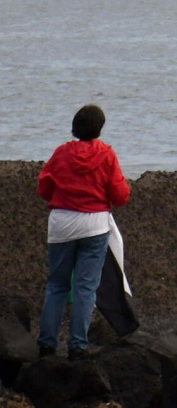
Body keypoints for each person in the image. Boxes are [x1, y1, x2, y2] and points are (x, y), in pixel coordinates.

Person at [36, 105, 130, 359]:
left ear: (75, 126)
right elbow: (120, 196)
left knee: (57, 285)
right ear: (99, 128)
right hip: (94, 224)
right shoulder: (106, 154)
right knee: (85, 287)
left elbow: (44, 188)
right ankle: (77, 347)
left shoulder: (61, 153)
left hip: (62, 224)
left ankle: (46, 345)